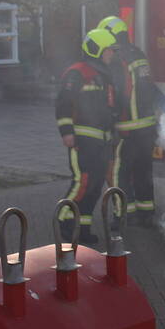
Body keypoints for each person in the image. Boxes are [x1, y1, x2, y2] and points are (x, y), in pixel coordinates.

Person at [55, 28, 119, 244]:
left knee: (95, 185)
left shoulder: (103, 75)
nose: (112, 54)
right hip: (82, 139)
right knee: (81, 182)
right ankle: (63, 222)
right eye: (109, 50)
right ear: (97, 49)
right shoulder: (77, 72)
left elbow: (108, 109)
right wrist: (66, 132)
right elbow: (63, 103)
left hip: (101, 140)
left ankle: (82, 229)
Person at [98, 15, 160, 228]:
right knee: (144, 171)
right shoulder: (138, 53)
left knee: (119, 172)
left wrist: (111, 119)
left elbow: (116, 93)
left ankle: (124, 214)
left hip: (127, 127)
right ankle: (147, 213)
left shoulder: (117, 58)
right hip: (147, 125)